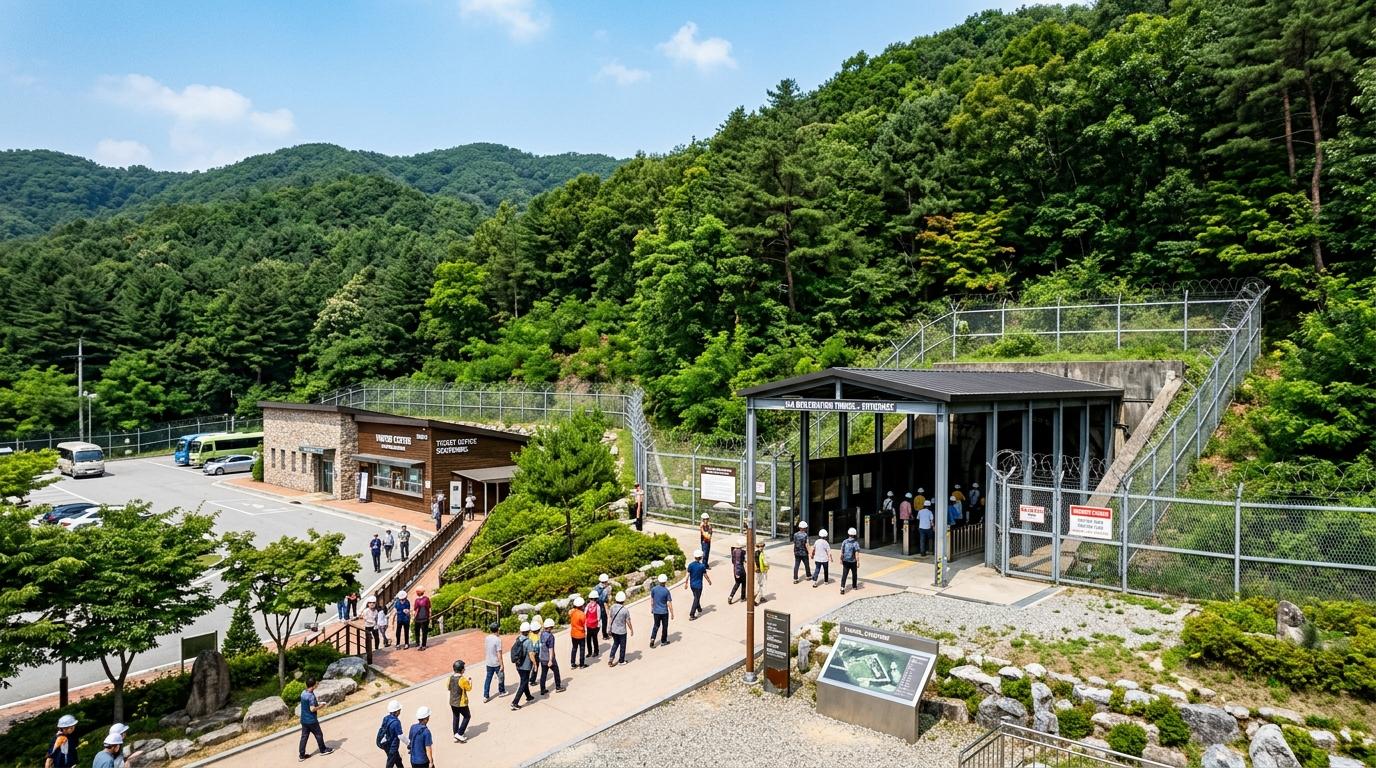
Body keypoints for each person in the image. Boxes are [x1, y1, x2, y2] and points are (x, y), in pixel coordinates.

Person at [298, 677, 333, 761]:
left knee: (304, 737)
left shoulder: (303, 693)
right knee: (319, 734)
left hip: (304, 720)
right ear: (313, 686)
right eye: (316, 684)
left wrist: (317, 703)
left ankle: (301, 755)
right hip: (311, 720)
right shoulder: (310, 696)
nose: (317, 685)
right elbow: (312, 709)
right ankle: (323, 750)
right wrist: (321, 706)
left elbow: (308, 704)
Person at [511, 622, 537, 710]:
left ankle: (528, 696)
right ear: (528, 631)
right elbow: (531, 654)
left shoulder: (518, 639)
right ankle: (515, 702)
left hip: (518, 665)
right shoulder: (528, 641)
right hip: (526, 666)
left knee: (524, 681)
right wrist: (535, 664)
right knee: (523, 683)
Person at [448, 660, 472, 743]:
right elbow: (468, 689)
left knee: (456, 717)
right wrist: (470, 682)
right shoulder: (463, 679)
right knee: (467, 716)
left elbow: (448, 687)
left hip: (452, 702)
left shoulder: (450, 678)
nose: (465, 669)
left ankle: (455, 735)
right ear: (461, 670)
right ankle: (460, 733)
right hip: (461, 703)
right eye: (464, 668)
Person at [538, 618, 564, 694]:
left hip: (542, 657)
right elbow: (551, 649)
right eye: (552, 627)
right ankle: (558, 687)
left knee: (543, 674)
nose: (552, 628)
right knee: (556, 671)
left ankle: (542, 689)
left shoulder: (542, 634)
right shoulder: (550, 636)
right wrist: (550, 660)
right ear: (549, 627)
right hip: (549, 658)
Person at [482, 622, 506, 702]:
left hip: (488, 662)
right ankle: (501, 691)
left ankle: (486, 695)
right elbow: (499, 653)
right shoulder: (498, 640)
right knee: (501, 676)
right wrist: (501, 664)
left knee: (488, 679)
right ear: (498, 629)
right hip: (496, 663)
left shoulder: (487, 638)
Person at [607, 591, 632, 667]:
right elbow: (628, 621)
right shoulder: (625, 610)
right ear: (623, 600)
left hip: (614, 630)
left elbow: (610, 617)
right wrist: (631, 629)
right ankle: (621, 660)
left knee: (615, 643)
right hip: (622, 631)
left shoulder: (612, 607)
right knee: (622, 646)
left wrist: (609, 627)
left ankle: (611, 657)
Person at [685, 549, 710, 620]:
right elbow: (705, 575)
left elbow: (688, 574)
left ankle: (699, 608)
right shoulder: (702, 566)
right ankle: (692, 614)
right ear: (701, 557)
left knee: (696, 596)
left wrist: (686, 583)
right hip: (699, 586)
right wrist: (709, 581)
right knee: (696, 598)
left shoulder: (690, 565)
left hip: (692, 585)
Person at [649, 573, 673, 647]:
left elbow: (652, 599)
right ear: (665, 581)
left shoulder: (654, 589)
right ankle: (663, 641)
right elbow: (669, 603)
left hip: (656, 611)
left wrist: (652, 608)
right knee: (664, 626)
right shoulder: (666, 591)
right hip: (664, 612)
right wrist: (672, 613)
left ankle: (652, 639)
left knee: (656, 625)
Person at [379, 700, 404, 768]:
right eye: (399, 710)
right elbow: (400, 736)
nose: (400, 711)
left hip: (386, 744)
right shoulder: (396, 722)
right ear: (396, 712)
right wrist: (408, 743)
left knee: (398, 760)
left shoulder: (386, 718)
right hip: (392, 747)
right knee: (390, 763)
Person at [727, 536, 748, 605]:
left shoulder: (734, 551)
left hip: (735, 569)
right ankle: (742, 597)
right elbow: (740, 561)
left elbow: (734, 561)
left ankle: (731, 596)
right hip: (740, 569)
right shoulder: (742, 552)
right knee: (743, 583)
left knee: (737, 583)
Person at [840, 527, 861, 594]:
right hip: (853, 561)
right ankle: (854, 586)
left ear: (848, 533)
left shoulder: (844, 542)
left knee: (844, 574)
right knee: (854, 574)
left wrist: (841, 559)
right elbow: (856, 554)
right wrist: (858, 562)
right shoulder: (855, 543)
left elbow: (842, 552)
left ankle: (842, 587)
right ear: (854, 534)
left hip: (845, 561)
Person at [569, 597, 587, 668]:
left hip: (573, 634)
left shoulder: (572, 612)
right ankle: (581, 664)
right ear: (582, 606)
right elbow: (583, 624)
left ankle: (572, 663)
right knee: (582, 649)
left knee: (574, 648)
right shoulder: (582, 614)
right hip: (580, 634)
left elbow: (570, 612)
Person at [583, 589, 601, 657]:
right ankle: (596, 652)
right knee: (594, 639)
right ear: (596, 599)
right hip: (595, 625)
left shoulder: (587, 606)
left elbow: (584, 615)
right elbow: (599, 617)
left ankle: (590, 652)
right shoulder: (598, 606)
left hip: (588, 625)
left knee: (588, 639)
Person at [595, 574, 611, 640]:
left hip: (596, 606)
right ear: (605, 581)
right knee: (604, 621)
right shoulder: (605, 589)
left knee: (597, 621)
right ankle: (605, 635)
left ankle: (593, 635)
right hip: (602, 607)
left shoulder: (596, 587)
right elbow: (604, 600)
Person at [754, 540, 769, 604]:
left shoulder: (758, 552)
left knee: (760, 584)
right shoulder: (759, 553)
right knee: (761, 585)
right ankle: (757, 600)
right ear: (758, 547)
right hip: (760, 570)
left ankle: (760, 596)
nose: (762, 547)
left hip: (759, 570)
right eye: (761, 546)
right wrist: (767, 566)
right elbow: (761, 562)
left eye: (763, 546)